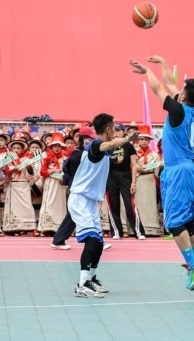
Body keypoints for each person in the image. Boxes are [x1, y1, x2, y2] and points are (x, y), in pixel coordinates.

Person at [129, 55, 194, 291]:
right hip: (191, 169)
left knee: (175, 223)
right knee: (187, 221)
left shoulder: (177, 111)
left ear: (183, 96)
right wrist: (162, 62)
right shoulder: (191, 109)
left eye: (181, 90)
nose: (178, 90)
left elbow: (159, 88)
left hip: (178, 170)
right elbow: (169, 82)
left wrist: (147, 71)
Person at [69, 113, 137, 298]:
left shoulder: (104, 152)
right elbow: (109, 145)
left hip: (90, 201)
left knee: (98, 242)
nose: (115, 132)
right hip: (80, 199)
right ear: (108, 129)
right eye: (114, 129)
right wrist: (127, 139)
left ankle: (91, 279)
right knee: (92, 239)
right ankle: (82, 284)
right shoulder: (96, 145)